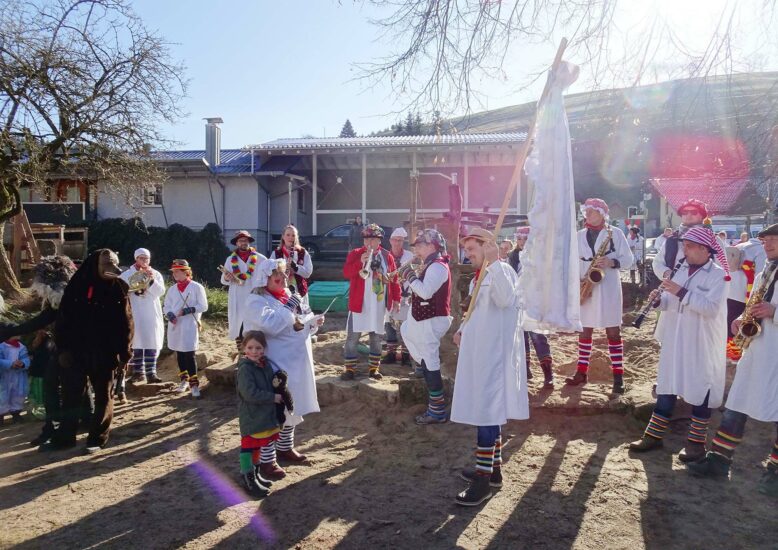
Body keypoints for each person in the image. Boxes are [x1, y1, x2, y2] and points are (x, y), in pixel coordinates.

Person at [687, 224, 778, 497]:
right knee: (736, 404)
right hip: (757, 350)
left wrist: (774, 311)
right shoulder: (765, 271)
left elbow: (770, 307)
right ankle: (719, 460)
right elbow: (753, 302)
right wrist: (741, 318)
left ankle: (775, 472)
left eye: (773, 240)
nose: (767, 245)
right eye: (765, 240)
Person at [629, 227, 730, 462]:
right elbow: (669, 301)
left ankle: (696, 444)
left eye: (689, 247)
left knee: (700, 386)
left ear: (704, 249)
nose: (684, 251)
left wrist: (681, 291)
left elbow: (711, 308)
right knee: (668, 382)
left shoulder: (719, 275)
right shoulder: (681, 269)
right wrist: (658, 301)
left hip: (700, 341)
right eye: (684, 246)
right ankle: (653, 436)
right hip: (675, 337)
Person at [451, 228, 528, 506]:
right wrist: (462, 328)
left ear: (487, 247)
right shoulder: (480, 275)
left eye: (472, 249)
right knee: (487, 411)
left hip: (493, 356)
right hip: (479, 353)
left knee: (487, 412)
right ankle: (493, 470)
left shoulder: (502, 270)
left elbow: (505, 300)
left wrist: (495, 261)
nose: (468, 254)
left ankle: (482, 481)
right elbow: (475, 309)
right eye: (466, 250)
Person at [44, 249, 133, 453]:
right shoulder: (77, 286)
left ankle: (97, 439)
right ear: (95, 266)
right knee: (71, 395)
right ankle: (65, 437)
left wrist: (124, 354)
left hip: (105, 352)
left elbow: (126, 324)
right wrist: (63, 348)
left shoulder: (119, 288)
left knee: (104, 395)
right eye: (108, 265)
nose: (114, 269)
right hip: (76, 351)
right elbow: (63, 320)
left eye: (115, 264)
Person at [244, 259, 324, 480]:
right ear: (264, 279)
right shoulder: (255, 300)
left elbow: (300, 320)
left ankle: (285, 447)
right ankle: (267, 460)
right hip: (276, 361)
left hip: (297, 359)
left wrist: (313, 322)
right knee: (275, 410)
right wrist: (289, 307)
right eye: (276, 276)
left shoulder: (288, 294)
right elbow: (271, 325)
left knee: (293, 404)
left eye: (283, 274)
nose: (282, 278)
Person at [0, 256, 77, 446]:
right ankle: (52, 428)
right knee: (52, 387)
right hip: (60, 350)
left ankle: (70, 428)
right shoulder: (55, 302)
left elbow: (43, 320)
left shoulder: (73, 299)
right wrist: (11, 331)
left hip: (76, 351)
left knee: (72, 390)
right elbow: (41, 320)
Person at [567, 198, 633, 395]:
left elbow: (629, 259)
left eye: (591, 211)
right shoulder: (579, 235)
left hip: (608, 286)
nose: (587, 214)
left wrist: (612, 262)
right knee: (584, 330)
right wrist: (576, 281)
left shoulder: (616, 233)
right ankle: (581, 372)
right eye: (586, 211)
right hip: (585, 285)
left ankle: (618, 377)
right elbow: (571, 260)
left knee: (613, 332)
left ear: (602, 214)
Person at [398, 229, 452, 425]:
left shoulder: (438, 266)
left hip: (432, 320)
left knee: (431, 362)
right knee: (406, 331)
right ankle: (422, 366)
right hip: (425, 318)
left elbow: (426, 292)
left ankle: (437, 411)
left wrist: (410, 276)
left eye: (420, 246)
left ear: (431, 246)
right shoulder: (431, 264)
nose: (416, 250)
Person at [341, 224, 401, 381]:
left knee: (376, 338)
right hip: (359, 303)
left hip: (379, 303)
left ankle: (374, 369)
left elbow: (394, 279)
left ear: (379, 240)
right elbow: (346, 272)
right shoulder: (355, 253)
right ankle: (350, 370)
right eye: (366, 239)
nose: (369, 242)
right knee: (352, 338)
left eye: (373, 239)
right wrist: (360, 262)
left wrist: (396, 299)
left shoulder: (387, 256)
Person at [236, 330, 282, 497]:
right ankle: (247, 478)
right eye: (250, 347)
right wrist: (273, 397)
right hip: (251, 415)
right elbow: (249, 393)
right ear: (244, 348)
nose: (254, 351)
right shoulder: (245, 369)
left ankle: (255, 474)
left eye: (258, 348)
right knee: (248, 447)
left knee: (257, 446)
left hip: (262, 414)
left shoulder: (264, 364)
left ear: (264, 348)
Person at [509, 227, 554, 388]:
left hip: (535, 301)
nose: (522, 242)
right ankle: (525, 370)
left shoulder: (540, 256)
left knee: (538, 337)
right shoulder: (513, 256)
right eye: (519, 239)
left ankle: (548, 374)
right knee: (521, 337)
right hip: (519, 301)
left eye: (525, 239)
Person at [119, 248, 165, 390]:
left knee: (151, 339)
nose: (145, 261)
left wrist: (150, 279)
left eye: (147, 258)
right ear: (136, 258)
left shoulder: (155, 273)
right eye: (142, 258)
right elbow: (121, 291)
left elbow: (160, 291)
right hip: (135, 311)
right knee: (136, 340)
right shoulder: (126, 274)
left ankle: (151, 373)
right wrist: (136, 283)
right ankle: (138, 372)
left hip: (151, 311)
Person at [164, 260, 208, 399]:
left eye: (177, 271)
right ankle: (184, 380)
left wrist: (188, 310)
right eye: (173, 272)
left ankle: (194, 385)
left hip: (189, 324)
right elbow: (166, 306)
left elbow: (204, 306)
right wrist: (170, 315)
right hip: (175, 325)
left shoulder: (197, 287)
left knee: (189, 354)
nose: (175, 274)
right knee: (180, 354)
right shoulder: (172, 289)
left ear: (186, 272)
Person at [221, 230, 266, 350]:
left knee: (255, 327)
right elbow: (223, 280)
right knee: (238, 327)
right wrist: (227, 277)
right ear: (236, 243)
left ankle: (255, 353)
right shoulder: (230, 259)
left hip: (255, 297)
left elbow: (268, 276)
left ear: (249, 242)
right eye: (240, 240)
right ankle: (241, 354)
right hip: (237, 298)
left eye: (245, 240)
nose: (243, 242)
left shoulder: (261, 259)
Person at [652, 199, 708, 281]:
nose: (688, 215)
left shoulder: (712, 240)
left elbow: (721, 271)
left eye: (694, 212)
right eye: (685, 212)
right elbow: (657, 262)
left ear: (702, 216)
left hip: (703, 287)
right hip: (673, 286)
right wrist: (667, 273)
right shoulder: (671, 240)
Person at [384, 227, 414, 368]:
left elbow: (415, 275)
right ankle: (391, 354)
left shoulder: (410, 256)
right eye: (395, 240)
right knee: (389, 324)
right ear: (390, 241)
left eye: (400, 240)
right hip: (389, 294)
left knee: (405, 326)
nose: (397, 243)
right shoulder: (384, 256)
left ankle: (405, 356)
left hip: (406, 294)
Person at [269, 224, 313, 305]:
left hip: (299, 291)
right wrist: (282, 270)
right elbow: (269, 272)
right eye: (288, 235)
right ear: (283, 236)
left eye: (293, 235)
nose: (291, 238)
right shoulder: (276, 253)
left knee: (301, 312)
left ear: (296, 237)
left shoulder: (303, 252)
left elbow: (308, 273)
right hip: (282, 291)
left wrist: (296, 268)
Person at [0, 337, 30, 423]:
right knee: (2, 395)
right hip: (3, 375)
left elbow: (26, 358)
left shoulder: (21, 347)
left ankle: (16, 413)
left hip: (17, 375)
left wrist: (22, 363)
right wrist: (10, 364)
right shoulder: (1, 346)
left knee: (17, 394)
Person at [725, 245, 747, 362]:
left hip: (736, 302)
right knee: (730, 329)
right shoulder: (746, 273)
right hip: (732, 301)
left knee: (733, 329)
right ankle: (731, 353)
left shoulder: (745, 273)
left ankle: (734, 354)